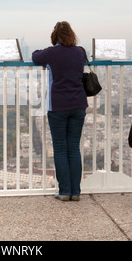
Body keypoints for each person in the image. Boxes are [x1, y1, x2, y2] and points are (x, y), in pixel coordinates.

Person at [32, 21, 88, 201]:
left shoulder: (53, 52)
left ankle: (64, 191)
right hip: (79, 104)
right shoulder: (80, 51)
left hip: (58, 106)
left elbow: (35, 56)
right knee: (74, 148)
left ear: (55, 36)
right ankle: (76, 192)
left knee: (60, 148)